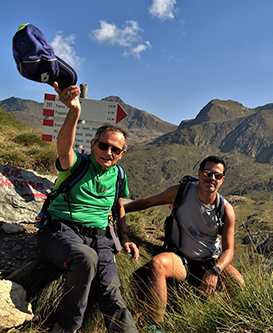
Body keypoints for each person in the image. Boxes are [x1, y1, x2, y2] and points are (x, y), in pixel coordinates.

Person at [37, 82, 139, 333]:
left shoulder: (118, 175)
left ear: (122, 154)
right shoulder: (76, 165)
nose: (108, 152)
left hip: (101, 239)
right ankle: (65, 328)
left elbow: (118, 206)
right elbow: (63, 148)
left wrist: (124, 237)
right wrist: (73, 112)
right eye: (103, 146)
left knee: (112, 293)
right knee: (85, 258)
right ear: (93, 145)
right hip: (60, 232)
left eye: (115, 149)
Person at [124, 156, 244, 329]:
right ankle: (156, 327)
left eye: (217, 176)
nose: (212, 178)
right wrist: (120, 210)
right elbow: (150, 201)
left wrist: (215, 271)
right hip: (181, 260)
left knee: (238, 282)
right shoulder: (181, 192)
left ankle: (234, 325)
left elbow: (229, 251)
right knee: (157, 264)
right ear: (200, 173)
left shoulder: (225, 209)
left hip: (210, 262)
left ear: (222, 180)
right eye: (208, 173)